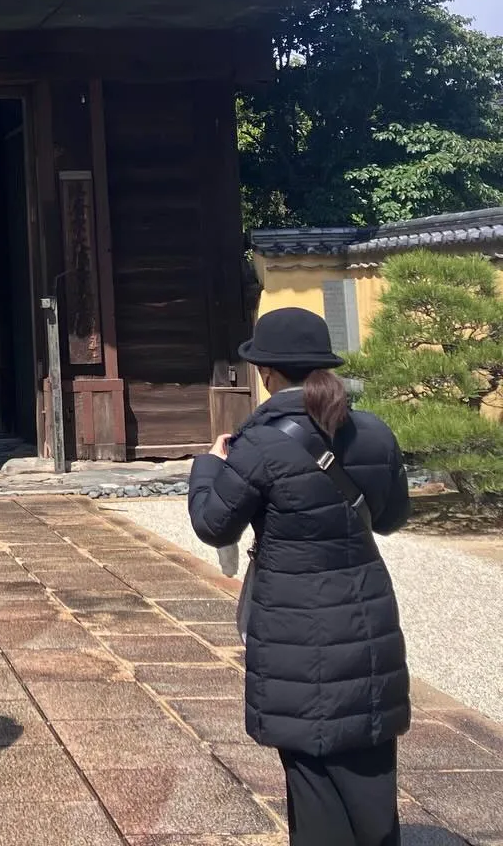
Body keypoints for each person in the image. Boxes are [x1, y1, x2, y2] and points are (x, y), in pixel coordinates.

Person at [189, 307, 411, 846]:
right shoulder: (373, 431)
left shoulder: (259, 444)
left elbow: (214, 525)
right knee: (369, 752)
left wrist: (208, 466)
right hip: (366, 613)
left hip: (293, 621)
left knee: (311, 767)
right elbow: (390, 518)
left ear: (266, 371)